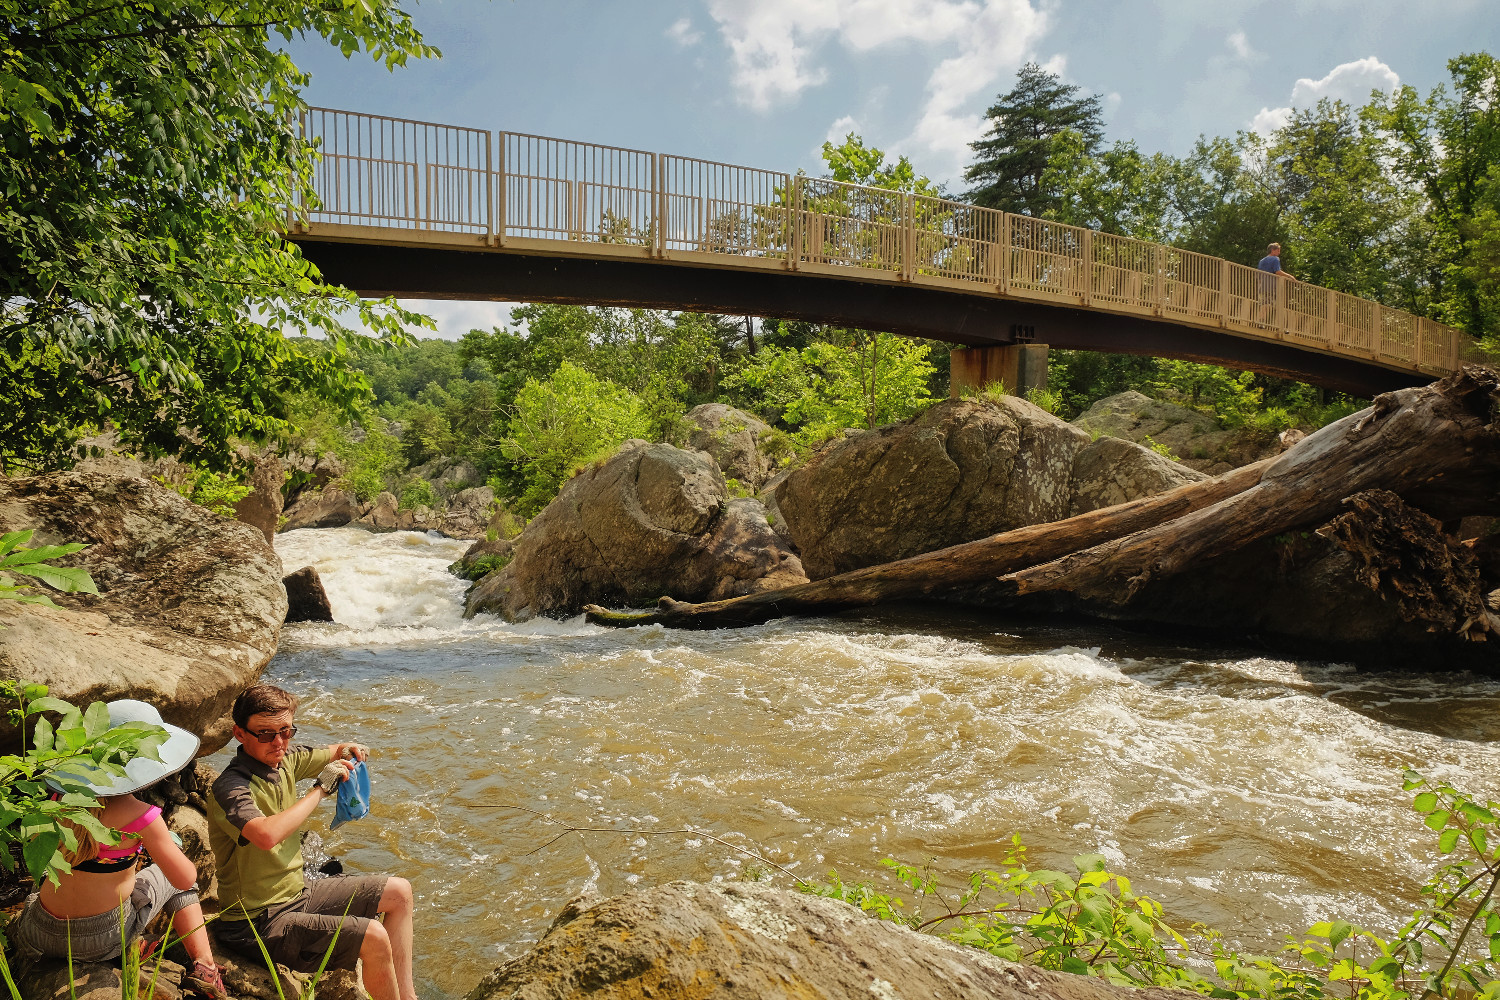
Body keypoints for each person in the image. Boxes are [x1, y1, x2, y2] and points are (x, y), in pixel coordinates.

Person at [207, 685, 417, 1000]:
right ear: (240, 733)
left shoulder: (285, 757)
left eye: (285, 731)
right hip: (257, 921)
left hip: (297, 892)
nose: (278, 742)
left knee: (400, 892)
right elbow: (265, 835)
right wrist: (319, 790)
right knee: (372, 936)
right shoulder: (231, 788)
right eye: (265, 734)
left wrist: (350, 750)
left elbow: (334, 750)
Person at [10, 700, 230, 1000]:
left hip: (39, 931)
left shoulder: (55, 798)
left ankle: (141, 942)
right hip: (100, 939)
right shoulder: (142, 816)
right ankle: (205, 968)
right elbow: (183, 877)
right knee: (178, 880)